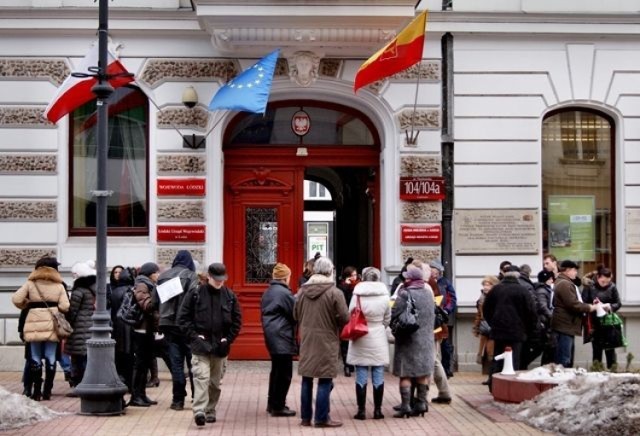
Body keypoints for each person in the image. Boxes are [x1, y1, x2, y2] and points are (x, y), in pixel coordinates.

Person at [177, 262, 242, 427]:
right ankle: (199, 410)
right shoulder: (195, 293)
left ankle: (210, 410)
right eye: (216, 279)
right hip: (200, 346)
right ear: (208, 277)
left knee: (214, 383)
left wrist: (228, 339)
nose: (220, 282)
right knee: (201, 378)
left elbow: (237, 321)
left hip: (220, 348)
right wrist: (194, 337)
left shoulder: (230, 296)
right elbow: (183, 319)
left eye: (222, 279)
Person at [294, 256, 349, 428]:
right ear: (329, 271)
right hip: (327, 340)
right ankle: (321, 418)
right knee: (325, 379)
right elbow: (345, 317)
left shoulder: (302, 291)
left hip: (308, 339)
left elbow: (295, 315)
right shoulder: (335, 292)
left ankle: (305, 418)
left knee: (307, 378)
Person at [12, 256, 70, 401]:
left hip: (33, 321)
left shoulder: (31, 283)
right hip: (51, 323)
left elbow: (17, 299)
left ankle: (36, 392)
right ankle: (47, 391)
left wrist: (28, 304)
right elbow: (65, 306)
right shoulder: (59, 285)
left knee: (35, 357)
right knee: (51, 357)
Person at [391, 262, 435, 418]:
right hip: (426, 340)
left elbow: (394, 312)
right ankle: (421, 404)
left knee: (406, 374)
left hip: (408, 339)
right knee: (422, 373)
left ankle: (405, 407)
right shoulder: (428, 293)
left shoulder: (405, 294)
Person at [483, 265, 537, 391]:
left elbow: (486, 310)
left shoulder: (495, 290)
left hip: (498, 331)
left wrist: (493, 323)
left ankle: (494, 385)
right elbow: (531, 312)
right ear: (518, 275)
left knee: (498, 359)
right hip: (517, 332)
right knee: (514, 361)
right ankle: (512, 389)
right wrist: (529, 329)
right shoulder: (522, 290)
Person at [346, 267, 390, 420]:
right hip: (378, 333)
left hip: (360, 334)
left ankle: (361, 411)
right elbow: (387, 318)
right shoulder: (384, 295)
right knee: (378, 372)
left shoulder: (357, 294)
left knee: (361, 372)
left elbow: (351, 312)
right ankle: (378, 410)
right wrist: (379, 326)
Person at [157, 250, 199, 411]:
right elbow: (195, 300)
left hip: (168, 325)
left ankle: (177, 400)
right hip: (187, 325)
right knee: (193, 362)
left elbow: (155, 301)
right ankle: (197, 397)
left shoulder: (162, 277)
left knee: (176, 364)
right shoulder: (191, 276)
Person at [261, 263, 297, 417]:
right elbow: (295, 313)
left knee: (276, 370)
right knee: (284, 373)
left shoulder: (269, 291)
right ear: (285, 277)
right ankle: (278, 406)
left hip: (272, 334)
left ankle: (272, 403)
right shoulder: (284, 293)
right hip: (281, 335)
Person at [550, 260, 596, 368]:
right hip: (564, 326)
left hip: (565, 325)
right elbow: (573, 304)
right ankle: (560, 383)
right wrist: (590, 307)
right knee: (564, 359)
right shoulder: (565, 284)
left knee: (564, 357)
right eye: (574, 270)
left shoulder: (564, 282)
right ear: (567, 270)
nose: (576, 273)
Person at [130, 262, 161, 407]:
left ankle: (142, 394)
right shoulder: (142, 285)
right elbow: (146, 305)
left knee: (146, 363)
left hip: (148, 329)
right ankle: (136, 395)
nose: (158, 274)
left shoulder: (149, 285)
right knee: (140, 364)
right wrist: (159, 296)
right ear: (150, 273)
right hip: (141, 329)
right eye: (156, 272)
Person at [65, 260, 97, 390]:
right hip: (91, 325)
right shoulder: (93, 289)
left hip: (79, 327)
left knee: (78, 357)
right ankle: (88, 381)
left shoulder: (79, 290)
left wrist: (68, 323)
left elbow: (73, 310)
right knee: (87, 356)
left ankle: (80, 383)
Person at [581, 266, 621, 369]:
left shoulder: (612, 287)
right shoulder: (589, 287)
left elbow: (618, 303)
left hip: (609, 322)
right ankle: (596, 371)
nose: (605, 284)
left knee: (610, 350)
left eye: (607, 281)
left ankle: (612, 371)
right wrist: (593, 305)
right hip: (595, 323)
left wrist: (610, 306)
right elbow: (583, 303)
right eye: (603, 281)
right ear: (598, 277)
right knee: (597, 350)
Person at [109, 266, 136, 393]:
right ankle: (130, 384)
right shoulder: (130, 291)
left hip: (117, 327)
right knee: (130, 358)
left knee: (119, 357)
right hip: (129, 327)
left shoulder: (114, 291)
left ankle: (120, 381)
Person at [430, 259, 456, 378]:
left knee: (445, 345)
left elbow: (452, 298)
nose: (432, 271)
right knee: (433, 344)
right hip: (431, 319)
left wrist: (446, 310)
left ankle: (447, 369)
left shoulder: (445, 282)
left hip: (443, 319)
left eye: (433, 269)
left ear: (439, 271)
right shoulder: (427, 282)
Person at [473, 275, 499, 384]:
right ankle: (490, 376)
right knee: (485, 354)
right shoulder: (482, 297)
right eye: (484, 285)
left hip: (493, 327)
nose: (485, 287)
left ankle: (493, 377)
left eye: (488, 284)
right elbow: (479, 314)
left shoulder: (496, 297)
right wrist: (477, 327)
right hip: (484, 327)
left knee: (491, 353)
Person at [338, 266, 359, 377]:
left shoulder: (358, 286)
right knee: (345, 341)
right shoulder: (342, 286)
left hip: (356, 317)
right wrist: (346, 286)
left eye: (355, 275)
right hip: (345, 317)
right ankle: (346, 365)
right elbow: (342, 301)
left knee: (355, 340)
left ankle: (353, 363)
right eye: (352, 275)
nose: (354, 277)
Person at [534, 269, 555, 365]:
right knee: (548, 348)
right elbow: (543, 306)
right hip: (545, 323)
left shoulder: (546, 289)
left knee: (549, 348)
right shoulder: (542, 290)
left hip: (546, 322)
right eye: (551, 278)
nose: (552, 281)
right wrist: (552, 316)